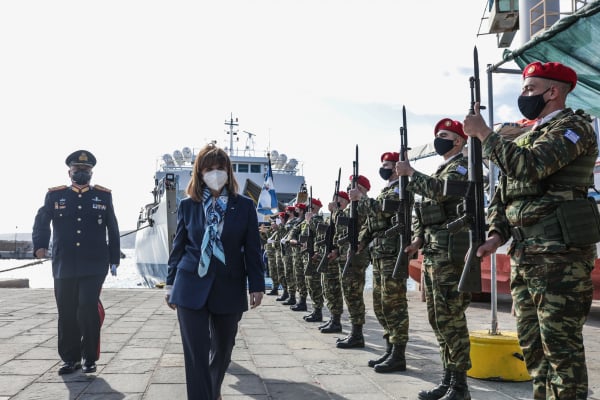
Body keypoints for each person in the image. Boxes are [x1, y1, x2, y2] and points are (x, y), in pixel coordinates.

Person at [463, 61, 598, 400]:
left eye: (529, 89)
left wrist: (485, 134)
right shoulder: (530, 134)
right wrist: (496, 234)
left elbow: (531, 167)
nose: (523, 95)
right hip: (527, 256)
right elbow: (505, 192)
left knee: (561, 351)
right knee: (532, 347)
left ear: (553, 92)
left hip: (560, 258)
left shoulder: (574, 129)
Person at [164, 143, 265, 400]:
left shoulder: (244, 206)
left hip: (229, 285)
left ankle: (211, 390)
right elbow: (179, 247)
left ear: (228, 171)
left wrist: (256, 285)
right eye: (209, 168)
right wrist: (170, 283)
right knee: (196, 353)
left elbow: (252, 248)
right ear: (199, 173)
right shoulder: (189, 205)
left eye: (220, 168)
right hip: (189, 284)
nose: (215, 173)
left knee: (222, 351)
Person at [396, 119, 472, 399]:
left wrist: (411, 173)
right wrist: (417, 237)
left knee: (451, 317)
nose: (439, 139)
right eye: (437, 135)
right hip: (433, 251)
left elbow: (441, 192)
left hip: (449, 254)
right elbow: (425, 211)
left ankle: (460, 385)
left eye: (445, 135)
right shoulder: (443, 168)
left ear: (459, 141)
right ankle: (448, 378)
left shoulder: (462, 167)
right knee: (438, 318)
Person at [32, 150, 120, 375]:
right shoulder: (55, 196)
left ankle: (89, 358)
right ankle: (70, 359)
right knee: (67, 311)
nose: (82, 173)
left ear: (92, 172)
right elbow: (42, 221)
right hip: (65, 264)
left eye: (86, 170)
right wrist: (40, 245)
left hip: (94, 263)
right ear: (69, 171)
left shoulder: (103, 196)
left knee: (87, 307)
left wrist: (114, 259)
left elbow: (113, 227)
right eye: (77, 169)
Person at [350, 151, 410, 373]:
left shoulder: (400, 188)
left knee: (394, 304)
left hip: (393, 253)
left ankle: (399, 353)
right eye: (382, 164)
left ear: (397, 167)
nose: (384, 168)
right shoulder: (388, 188)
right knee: (380, 303)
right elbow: (373, 223)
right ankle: (389, 348)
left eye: (388, 164)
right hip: (380, 253)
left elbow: (380, 211)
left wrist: (361, 199)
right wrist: (362, 241)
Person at [336, 175, 371, 347]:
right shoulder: (352, 208)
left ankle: (357, 334)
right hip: (347, 255)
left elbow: (368, 226)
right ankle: (354, 332)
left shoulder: (365, 205)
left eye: (353, 187)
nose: (350, 190)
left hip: (358, 256)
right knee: (349, 294)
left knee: (354, 294)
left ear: (362, 189)